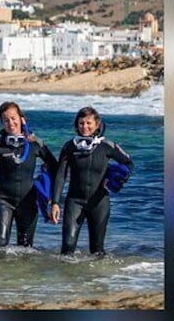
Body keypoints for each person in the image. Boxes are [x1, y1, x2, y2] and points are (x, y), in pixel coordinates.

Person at [51, 106, 134, 255]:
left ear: (97, 124)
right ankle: (67, 278)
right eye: (81, 123)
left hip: (99, 203)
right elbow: (60, 175)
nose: (85, 127)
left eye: (89, 123)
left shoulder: (107, 145)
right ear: (76, 125)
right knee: (67, 249)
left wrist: (116, 180)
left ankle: (97, 279)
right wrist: (56, 202)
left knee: (97, 250)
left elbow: (128, 163)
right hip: (74, 202)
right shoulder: (69, 146)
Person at [0, 101, 58, 248]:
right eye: (6, 120)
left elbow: (56, 168)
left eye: (13, 118)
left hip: (28, 201)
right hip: (3, 201)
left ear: (22, 119)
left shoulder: (36, 143)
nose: (11, 123)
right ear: (2, 123)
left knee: (25, 248)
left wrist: (50, 194)